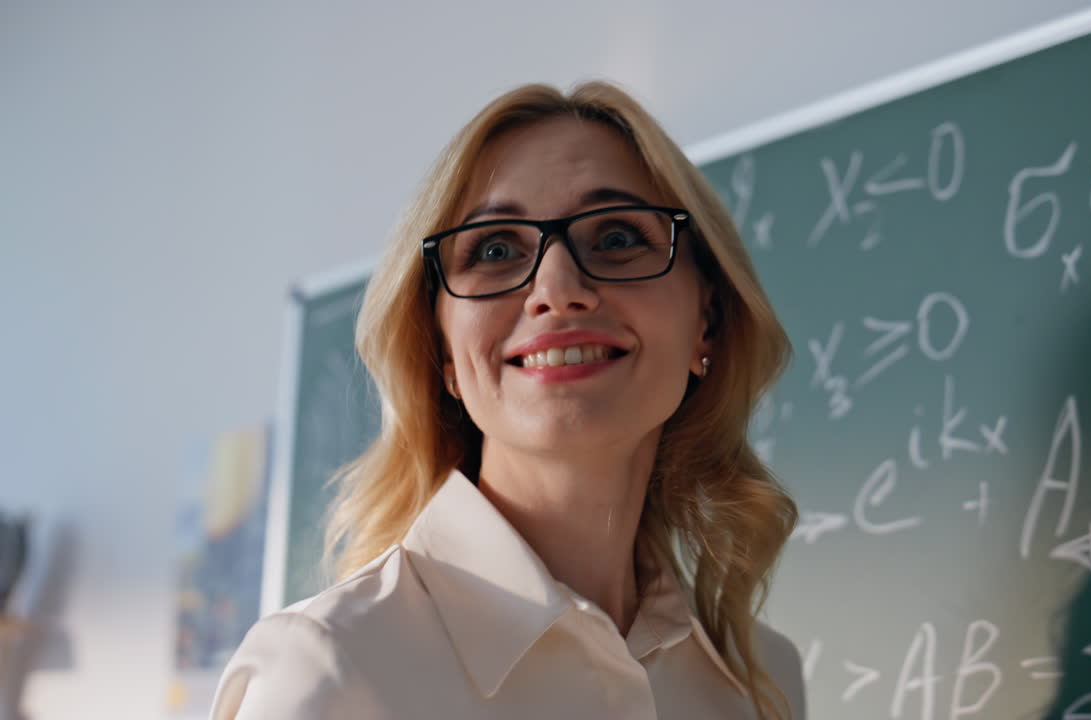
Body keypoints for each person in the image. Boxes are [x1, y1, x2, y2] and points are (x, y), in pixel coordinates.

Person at [209, 81, 806, 720]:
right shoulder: (334, 668)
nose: (556, 288)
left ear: (706, 323)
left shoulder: (760, 682)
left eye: (615, 238)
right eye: (495, 250)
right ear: (443, 353)